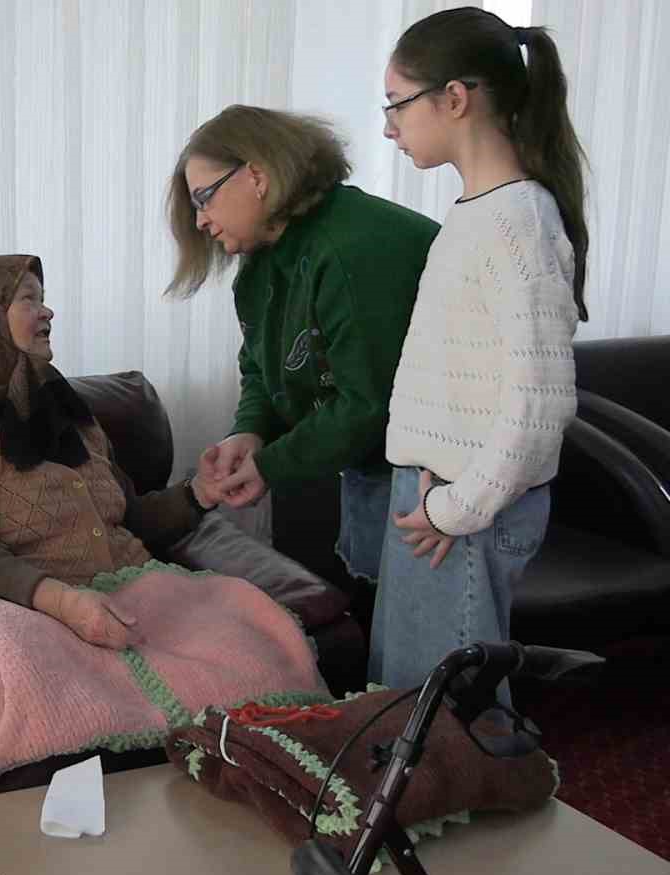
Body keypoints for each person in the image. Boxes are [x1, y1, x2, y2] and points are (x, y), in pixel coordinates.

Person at [372, 7, 587, 696]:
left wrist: (457, 508)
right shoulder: (481, 213)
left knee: (453, 723)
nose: (389, 127)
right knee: (412, 710)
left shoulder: (517, 222)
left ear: (455, 98)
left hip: (463, 510)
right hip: (440, 496)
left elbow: (541, 405)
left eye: (397, 103)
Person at [0, 254, 227, 647]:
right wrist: (65, 603)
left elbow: (125, 518)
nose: (47, 311)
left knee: (248, 639)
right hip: (29, 616)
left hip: (125, 597)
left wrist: (199, 493)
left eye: (43, 298)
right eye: (28, 299)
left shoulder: (63, 408)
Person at [167, 105, 440, 589]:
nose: (201, 221)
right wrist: (249, 431)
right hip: (372, 467)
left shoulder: (352, 247)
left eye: (204, 198)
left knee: (410, 624)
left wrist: (270, 466)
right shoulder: (264, 259)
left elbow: (367, 403)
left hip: (428, 483)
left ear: (256, 176)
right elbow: (259, 366)